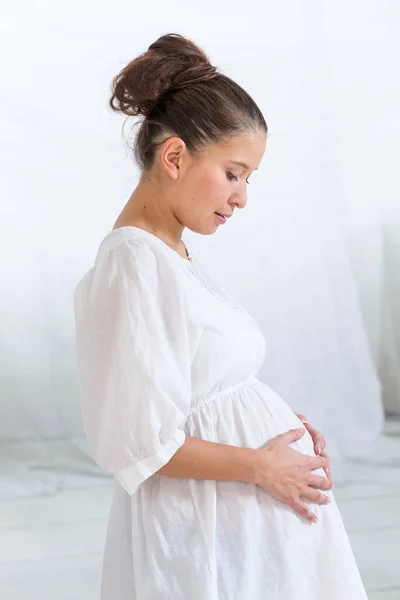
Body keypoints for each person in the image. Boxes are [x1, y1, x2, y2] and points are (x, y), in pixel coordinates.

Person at [73, 33, 368, 600]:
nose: (241, 198)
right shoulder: (133, 262)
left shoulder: (169, 254)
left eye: (248, 179)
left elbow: (201, 392)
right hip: (198, 520)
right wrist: (263, 465)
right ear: (176, 157)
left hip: (233, 516)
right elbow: (142, 444)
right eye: (233, 173)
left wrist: (281, 435)